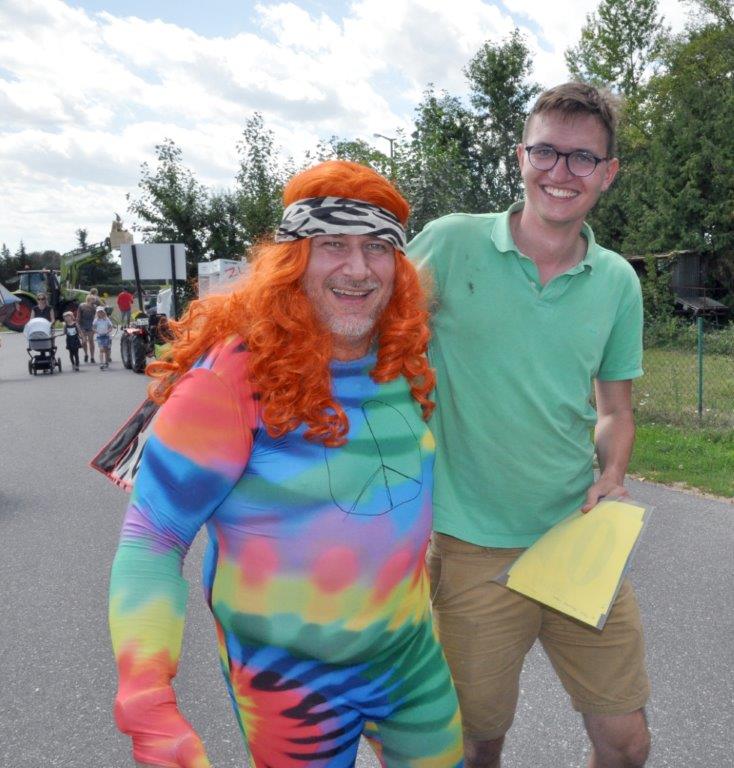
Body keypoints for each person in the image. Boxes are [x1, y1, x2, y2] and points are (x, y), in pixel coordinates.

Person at [107, 160, 464, 768]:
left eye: (378, 247)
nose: (357, 268)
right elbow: (153, 539)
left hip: (409, 662)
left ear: (399, 266)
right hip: (289, 688)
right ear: (293, 260)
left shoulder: (405, 356)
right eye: (333, 246)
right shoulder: (231, 378)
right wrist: (146, 698)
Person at [408, 82, 650, 768]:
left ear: (607, 174)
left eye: (582, 158)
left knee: (627, 744)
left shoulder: (616, 282)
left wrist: (612, 473)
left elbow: (614, 408)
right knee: (477, 745)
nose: (560, 172)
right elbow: (364, 338)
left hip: (577, 537)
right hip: (470, 546)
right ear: (520, 156)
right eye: (546, 151)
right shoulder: (450, 245)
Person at [77, 294, 97, 363]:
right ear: (88, 300)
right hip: (83, 325)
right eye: (93, 299)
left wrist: (95, 327)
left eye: (94, 300)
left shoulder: (94, 307)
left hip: (91, 325)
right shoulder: (81, 306)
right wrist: (77, 324)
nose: (94, 301)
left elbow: (95, 317)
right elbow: (78, 316)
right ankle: (86, 354)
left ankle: (92, 357)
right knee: (84, 341)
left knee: (91, 341)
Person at [93, 305, 113, 370]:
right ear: (97, 313)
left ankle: (106, 361)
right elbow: (93, 327)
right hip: (100, 336)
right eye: (99, 312)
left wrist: (108, 331)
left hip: (106, 336)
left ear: (104, 312)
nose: (100, 313)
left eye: (101, 312)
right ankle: (101, 363)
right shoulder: (96, 320)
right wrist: (96, 331)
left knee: (106, 350)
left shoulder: (106, 319)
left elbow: (110, 326)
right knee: (101, 350)